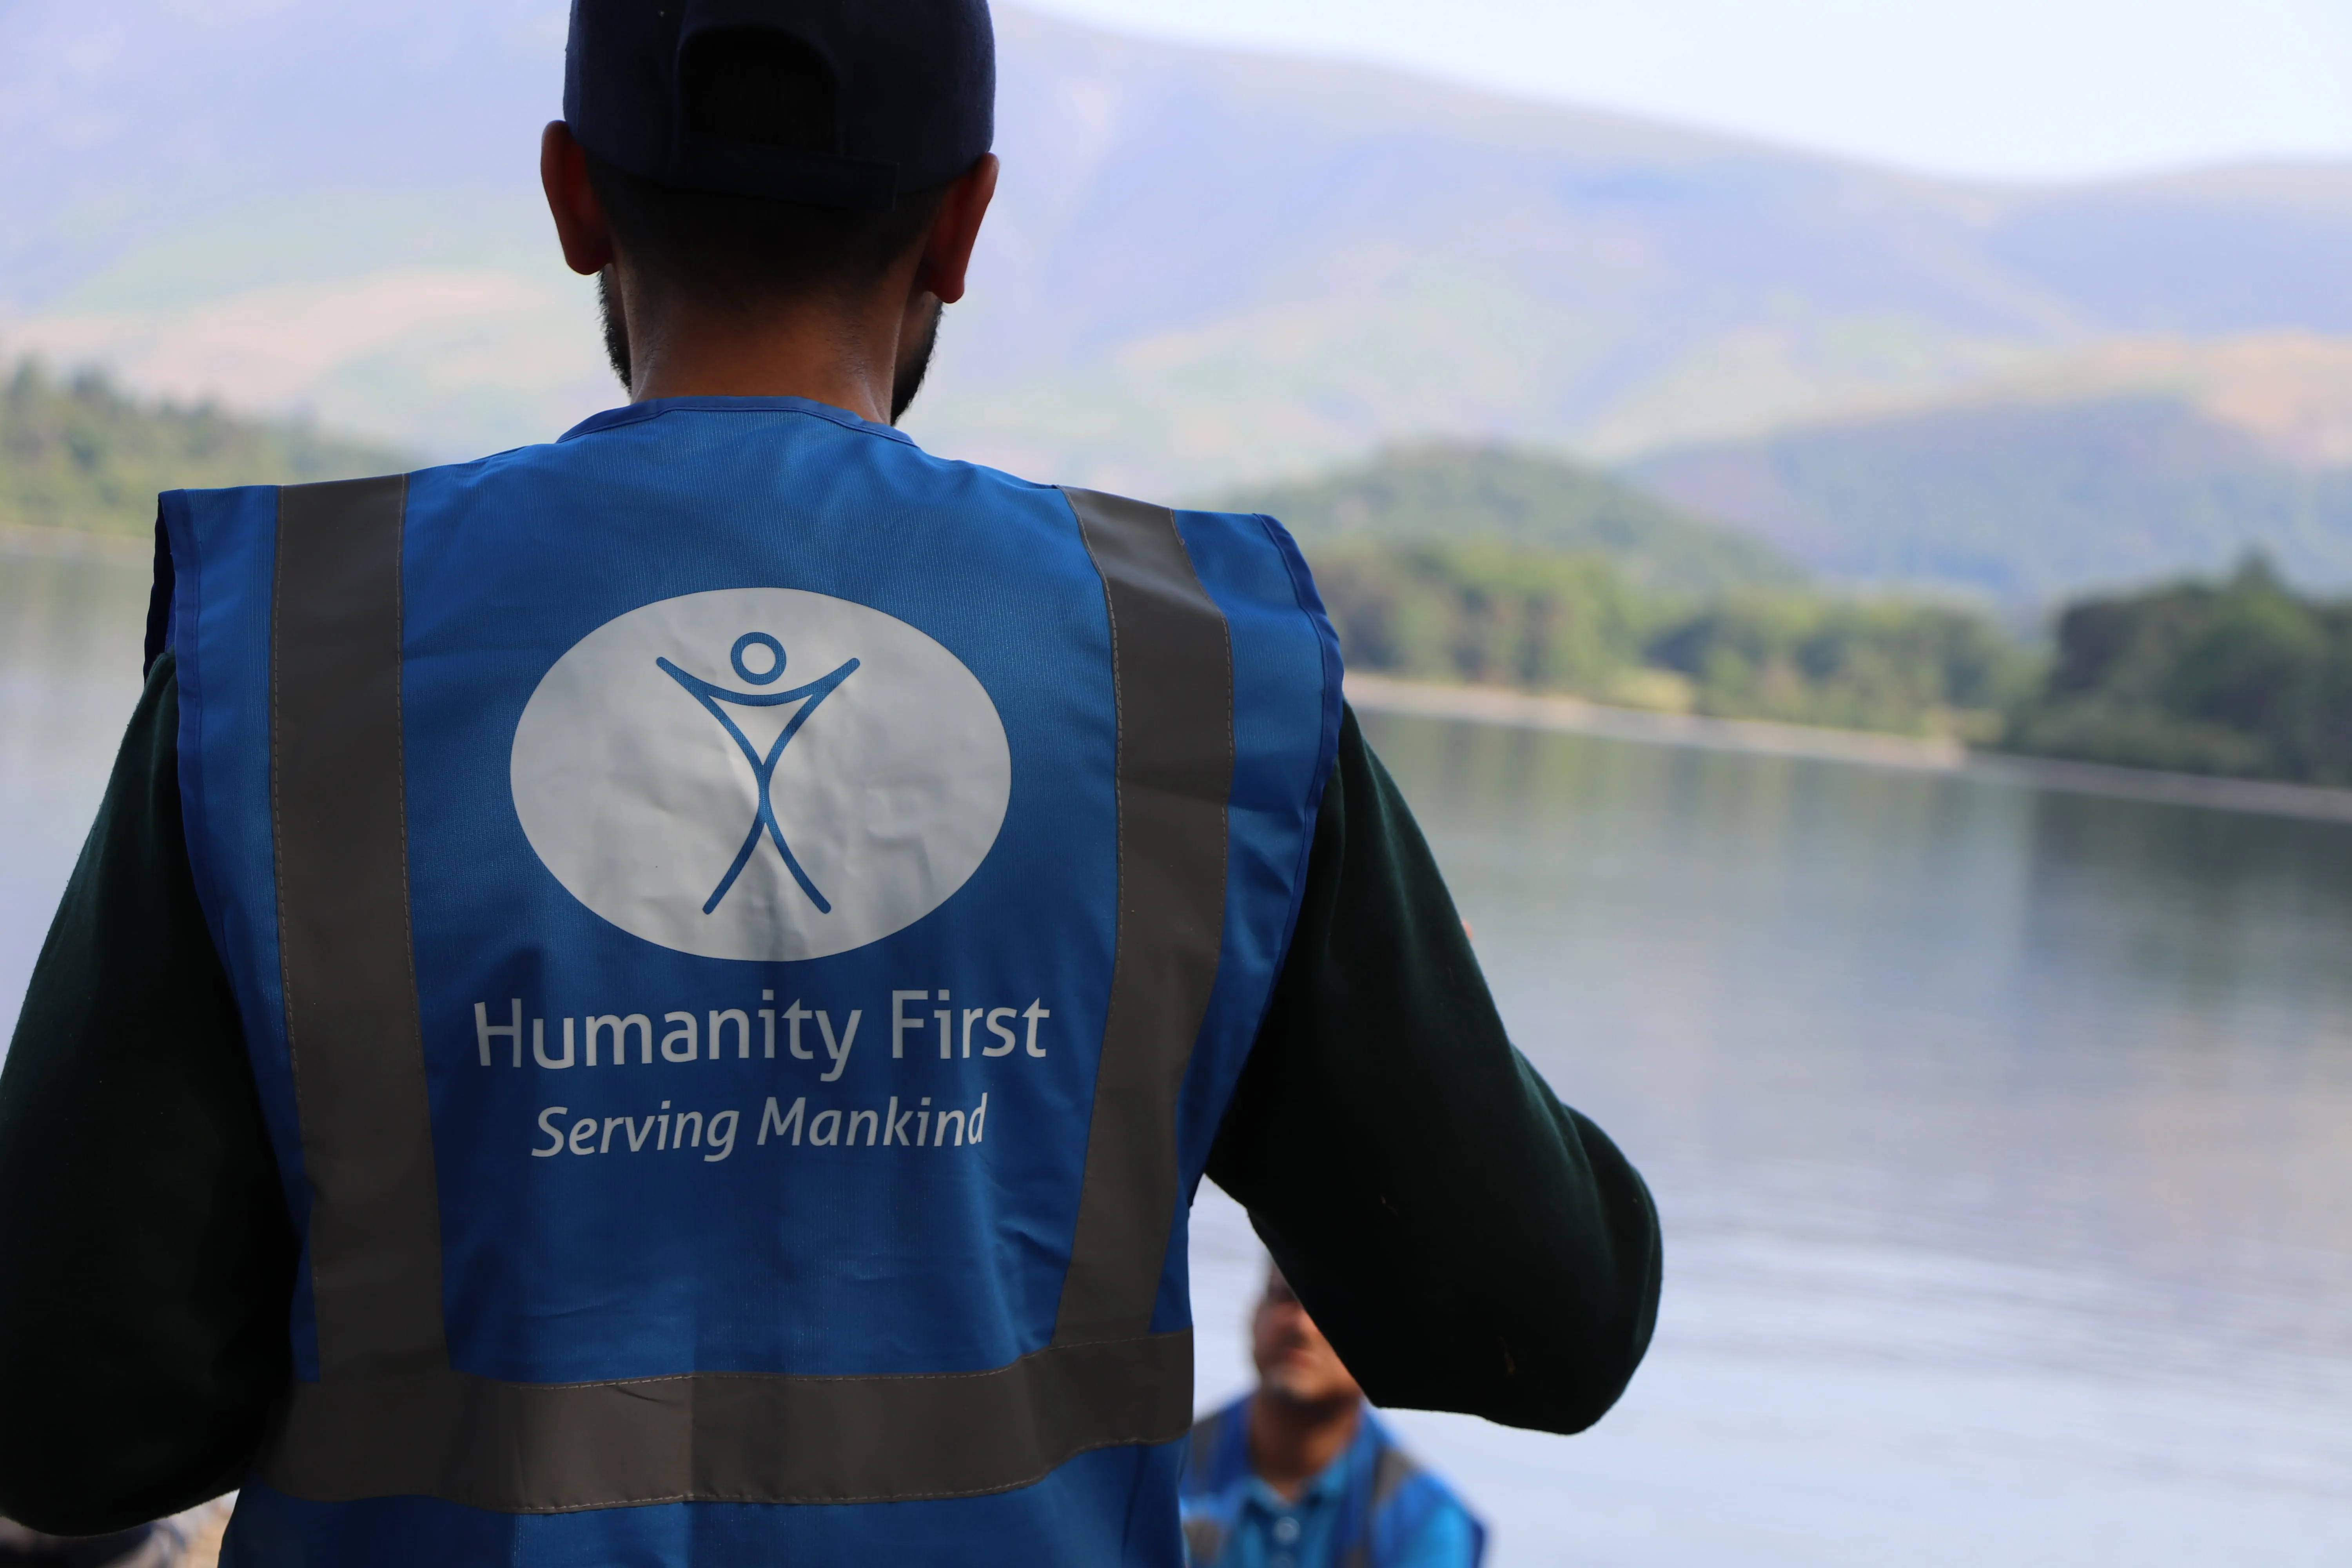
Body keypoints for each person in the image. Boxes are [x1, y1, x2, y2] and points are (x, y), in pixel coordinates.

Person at [0, 3, 1662, 1565]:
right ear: (963, 224)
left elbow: (64, 1415)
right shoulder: (1191, 675)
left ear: (572, 192)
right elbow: (1541, 1316)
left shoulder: (306, 651)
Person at [1180, 1269, 1484, 1568]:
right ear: (1255, 1313)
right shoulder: (1160, 1478)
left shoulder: (1424, 1522)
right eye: (1287, 1297)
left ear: (1387, 1347)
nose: (1303, 1325)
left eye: (1332, 1308)